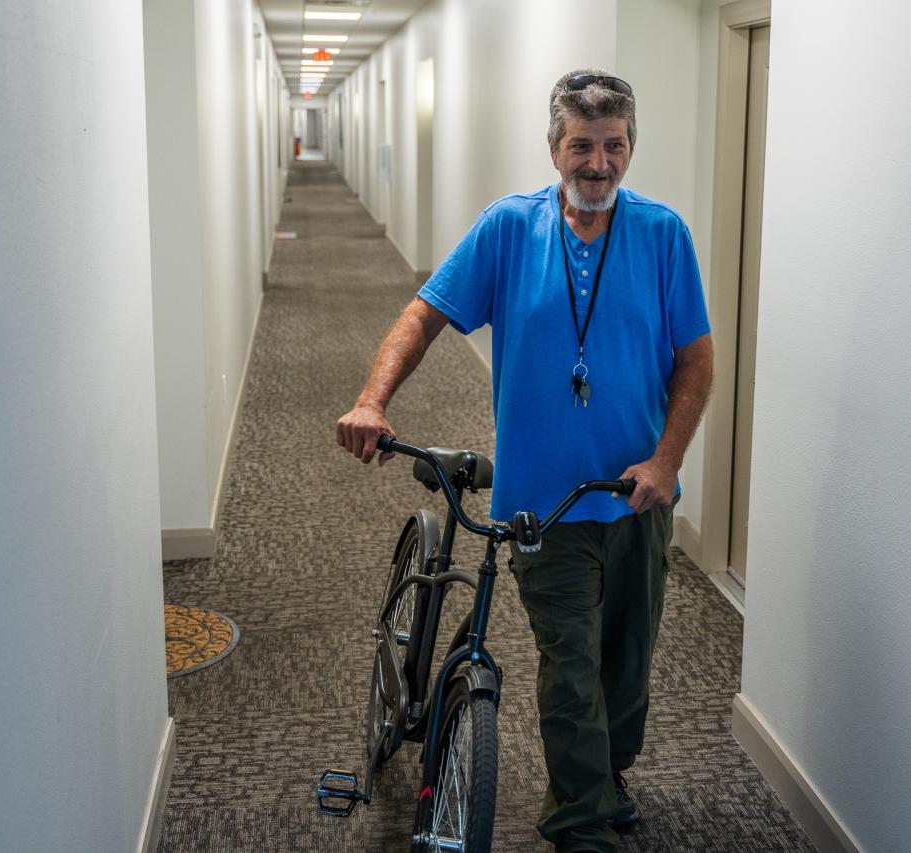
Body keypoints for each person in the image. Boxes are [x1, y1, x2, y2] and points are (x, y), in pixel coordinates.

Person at [336, 68, 713, 853]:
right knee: (571, 671)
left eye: (614, 146)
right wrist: (374, 398)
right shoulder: (509, 229)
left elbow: (696, 362)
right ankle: (581, 823)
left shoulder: (664, 234)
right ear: (554, 147)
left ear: (630, 147)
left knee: (627, 675)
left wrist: (667, 459)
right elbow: (425, 314)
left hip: (638, 501)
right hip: (544, 507)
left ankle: (604, 779)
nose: (599, 163)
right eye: (582, 145)